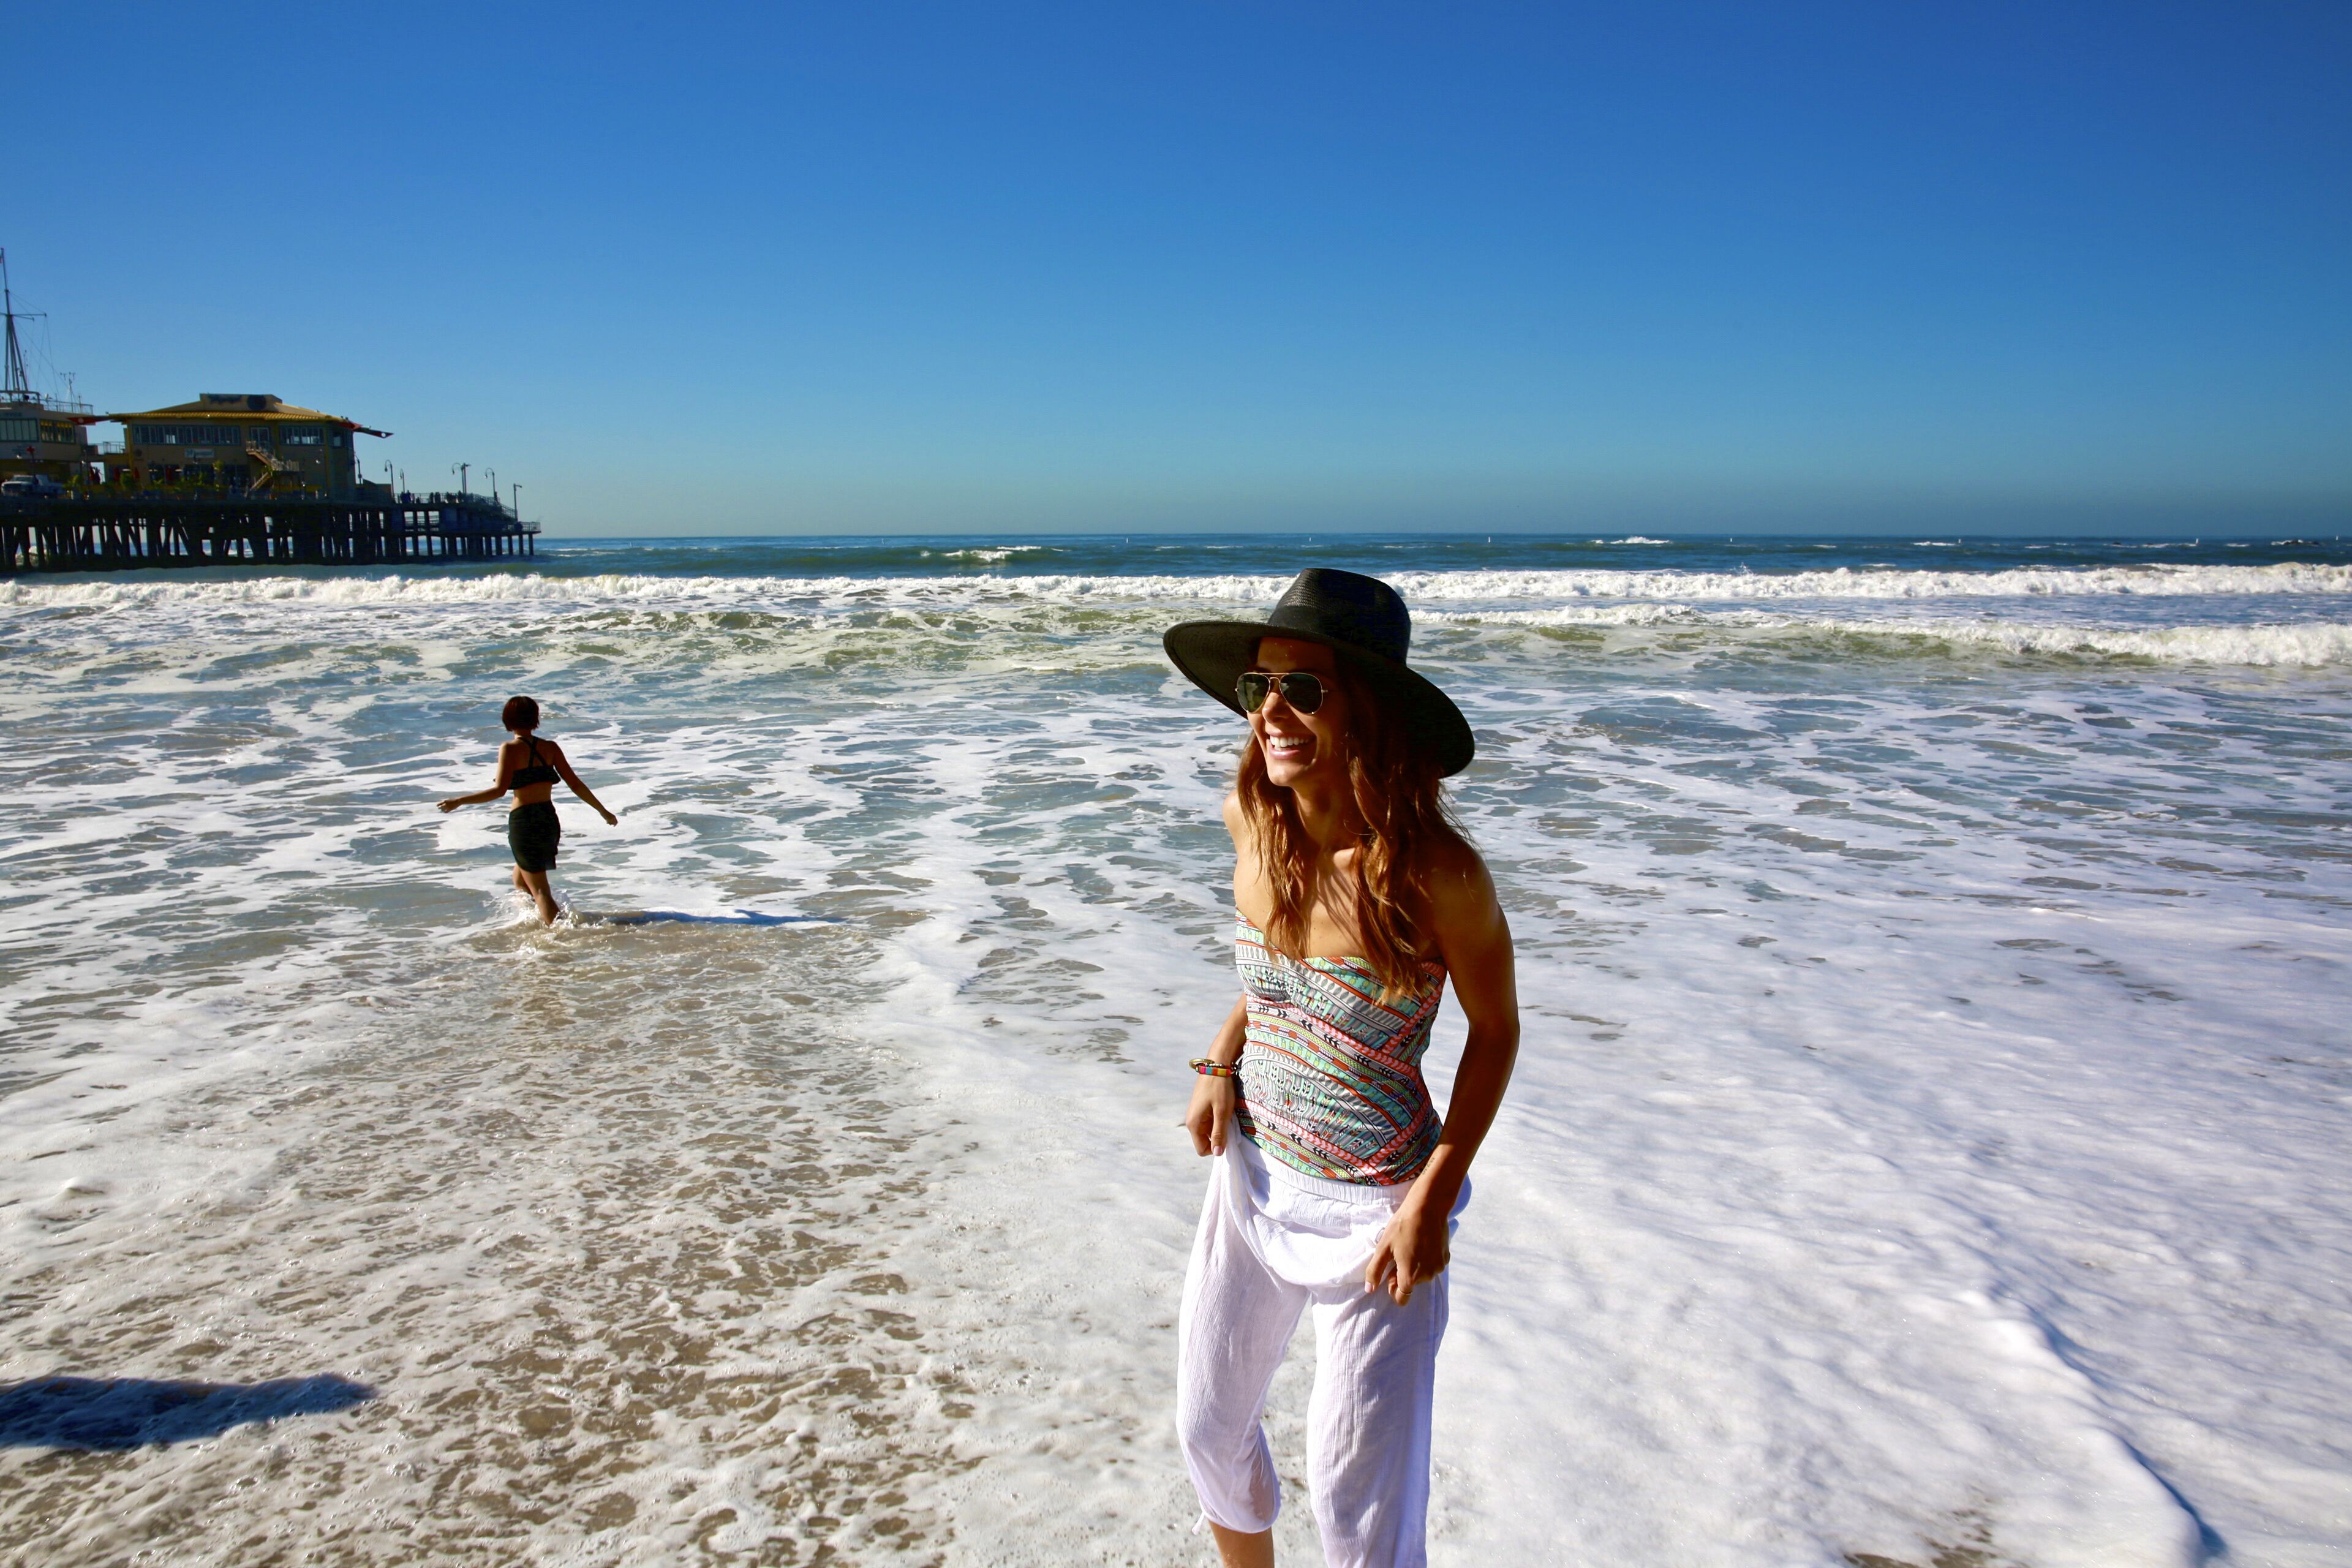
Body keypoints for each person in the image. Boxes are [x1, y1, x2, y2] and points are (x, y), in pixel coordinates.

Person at [1162, 569, 1520, 1568]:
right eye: (1259, 688)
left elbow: (1495, 1031)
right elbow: (1274, 976)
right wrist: (1219, 1059)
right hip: (1254, 1180)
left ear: (1369, 711)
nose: (1272, 712)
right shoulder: (1255, 828)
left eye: (1304, 690)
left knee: (1358, 1509)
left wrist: (1433, 1198)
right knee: (1207, 1430)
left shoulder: (1437, 875)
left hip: (1380, 1215)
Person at [437, 696, 619, 924]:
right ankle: (536, 923)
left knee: (541, 890)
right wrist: (603, 811)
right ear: (535, 719)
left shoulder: (510, 749)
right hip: (548, 820)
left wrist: (460, 800)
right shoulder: (550, 748)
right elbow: (576, 784)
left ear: (508, 721)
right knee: (521, 881)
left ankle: (561, 935)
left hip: (524, 821)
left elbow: (498, 791)